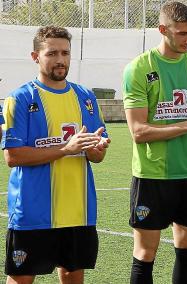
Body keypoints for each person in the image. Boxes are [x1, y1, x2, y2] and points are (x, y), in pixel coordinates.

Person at [2, 26, 110, 284]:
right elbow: (13, 157)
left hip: (78, 209)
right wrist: (65, 149)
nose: (60, 60)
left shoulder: (85, 97)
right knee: (21, 279)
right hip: (32, 211)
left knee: (73, 277)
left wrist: (96, 149)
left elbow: (95, 156)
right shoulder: (19, 99)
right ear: (35, 56)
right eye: (52, 53)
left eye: (65, 53)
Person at [122, 2, 187, 284]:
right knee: (145, 253)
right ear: (163, 30)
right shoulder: (139, 68)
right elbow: (138, 131)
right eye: (182, 34)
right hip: (152, 175)